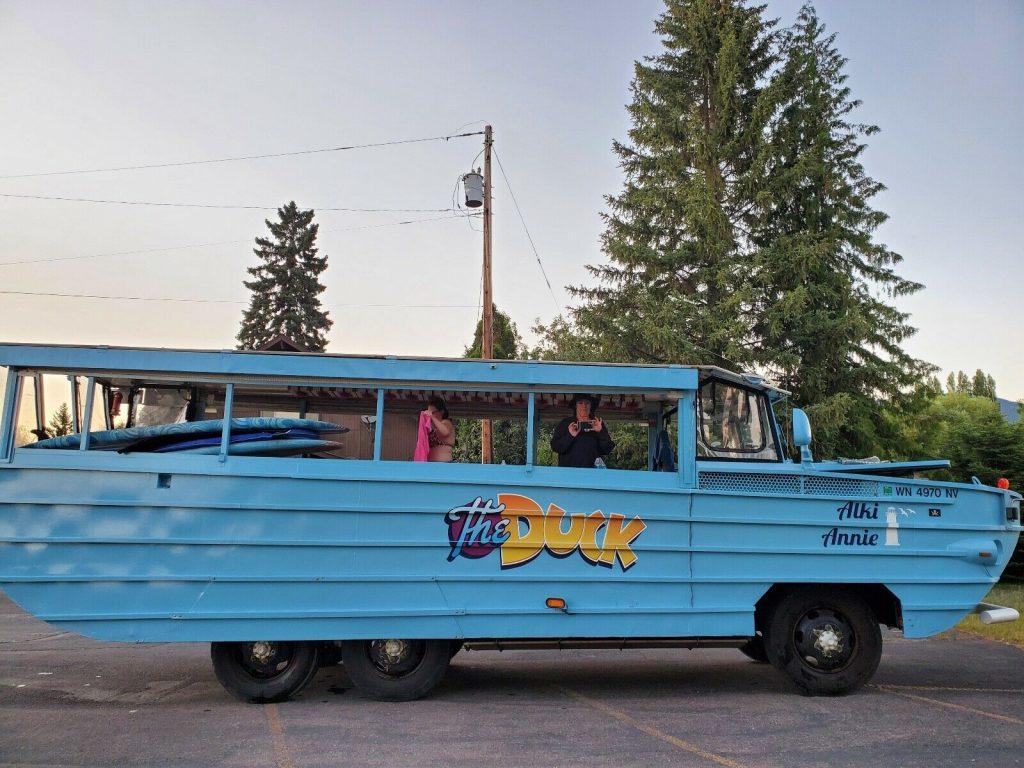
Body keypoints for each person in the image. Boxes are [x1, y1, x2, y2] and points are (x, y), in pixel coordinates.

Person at [550, 393, 614, 468]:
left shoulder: (597, 424)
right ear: (575, 406)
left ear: (591, 406)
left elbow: (607, 449)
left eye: (587, 403)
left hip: (592, 474)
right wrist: (570, 435)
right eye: (580, 403)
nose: (584, 406)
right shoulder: (566, 423)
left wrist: (600, 432)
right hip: (569, 473)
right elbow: (555, 447)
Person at [422, 396, 455, 463]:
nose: (430, 414)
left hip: (445, 464)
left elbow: (445, 432)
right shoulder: (433, 427)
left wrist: (432, 417)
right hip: (431, 465)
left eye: (433, 412)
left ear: (442, 411)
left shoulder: (446, 422)